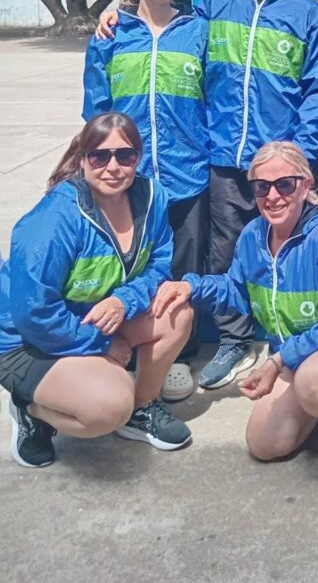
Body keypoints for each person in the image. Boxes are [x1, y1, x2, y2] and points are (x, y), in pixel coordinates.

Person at [97, 0, 318, 390]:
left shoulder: (308, 14)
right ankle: (235, 339)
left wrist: (299, 155)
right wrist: (116, 14)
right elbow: (163, 37)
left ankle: (299, 338)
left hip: (280, 165)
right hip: (224, 160)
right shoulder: (213, 5)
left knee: (293, 251)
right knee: (226, 255)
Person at [153, 141, 318, 495]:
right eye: (261, 187)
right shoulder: (253, 235)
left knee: (315, 381)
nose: (272, 196)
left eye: (284, 184)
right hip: (306, 351)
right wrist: (191, 288)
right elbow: (237, 291)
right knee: (265, 444)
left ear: (305, 184)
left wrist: (279, 360)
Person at [0, 114, 193, 468]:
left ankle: (140, 409)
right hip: (24, 340)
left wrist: (124, 300)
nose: (113, 167)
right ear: (83, 157)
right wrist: (103, 344)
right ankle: (31, 410)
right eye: (100, 156)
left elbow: (160, 264)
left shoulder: (151, 198)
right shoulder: (56, 217)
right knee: (107, 407)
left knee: (177, 313)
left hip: (87, 320)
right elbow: (33, 313)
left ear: (139, 157)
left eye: (125, 155)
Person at [85, 0, 209, 403]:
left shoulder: (197, 31)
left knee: (181, 272)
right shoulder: (112, 34)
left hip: (187, 175)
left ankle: (178, 356)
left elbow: (213, 98)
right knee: (128, 268)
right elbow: (96, 112)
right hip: (127, 180)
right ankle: (124, 348)